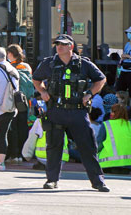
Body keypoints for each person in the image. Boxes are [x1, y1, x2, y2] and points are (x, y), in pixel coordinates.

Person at [32, 34, 109, 192]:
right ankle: (51, 180)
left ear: (71, 47)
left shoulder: (83, 64)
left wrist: (89, 94)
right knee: (54, 146)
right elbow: (36, 79)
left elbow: (101, 79)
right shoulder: (50, 63)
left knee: (88, 146)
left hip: (77, 111)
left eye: (63, 44)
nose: (59, 47)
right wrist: (43, 92)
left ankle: (98, 181)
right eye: (57, 44)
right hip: (56, 110)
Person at [97, 103, 131, 170]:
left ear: (113, 113)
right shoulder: (129, 125)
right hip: (128, 164)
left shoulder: (106, 124)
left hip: (107, 164)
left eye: (112, 111)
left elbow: (99, 144)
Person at [118, 26, 131, 93]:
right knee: (120, 90)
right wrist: (120, 63)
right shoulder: (127, 44)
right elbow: (123, 55)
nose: (128, 34)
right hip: (124, 69)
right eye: (128, 33)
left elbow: (126, 55)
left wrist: (128, 56)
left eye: (129, 33)